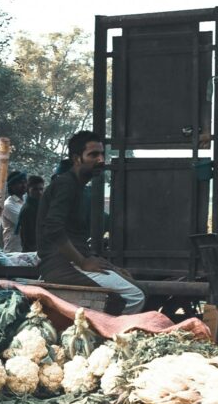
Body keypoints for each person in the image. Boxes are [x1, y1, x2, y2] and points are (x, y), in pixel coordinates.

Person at [34, 131, 141, 309]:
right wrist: (82, 262)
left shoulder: (79, 187)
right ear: (77, 159)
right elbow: (53, 228)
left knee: (134, 287)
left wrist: (112, 269)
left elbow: (76, 239)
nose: (101, 160)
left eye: (102, 154)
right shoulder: (66, 184)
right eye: (93, 155)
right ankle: (114, 335)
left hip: (72, 262)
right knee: (135, 296)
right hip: (62, 264)